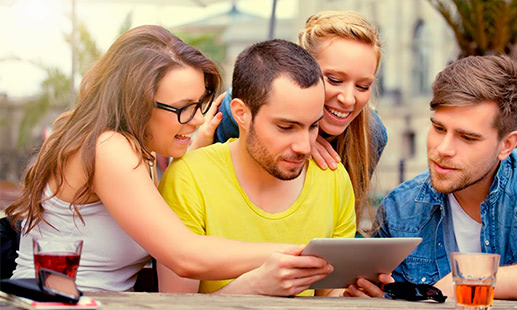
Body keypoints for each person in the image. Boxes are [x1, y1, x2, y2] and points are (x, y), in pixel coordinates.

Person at [6, 25, 332, 292]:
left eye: (200, 103)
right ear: (137, 103)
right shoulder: (108, 148)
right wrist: (301, 253)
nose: (196, 119)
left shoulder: (133, 150)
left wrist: (301, 136)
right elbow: (184, 255)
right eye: (183, 107)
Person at [157, 39, 356, 297]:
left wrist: (356, 297)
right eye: (286, 127)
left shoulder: (333, 178)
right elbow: (177, 306)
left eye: (313, 126)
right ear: (241, 113)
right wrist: (254, 287)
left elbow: (330, 296)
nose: (305, 147)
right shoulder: (189, 178)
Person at [345, 55, 517, 301]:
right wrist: (378, 301)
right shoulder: (400, 210)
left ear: (507, 145)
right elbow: (382, 296)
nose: (443, 148)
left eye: (467, 138)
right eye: (439, 128)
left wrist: (470, 281)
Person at [214, 11, 387, 232]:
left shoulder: (371, 134)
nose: (348, 98)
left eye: (362, 86)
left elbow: (342, 226)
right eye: (334, 80)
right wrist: (301, 132)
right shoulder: (240, 110)